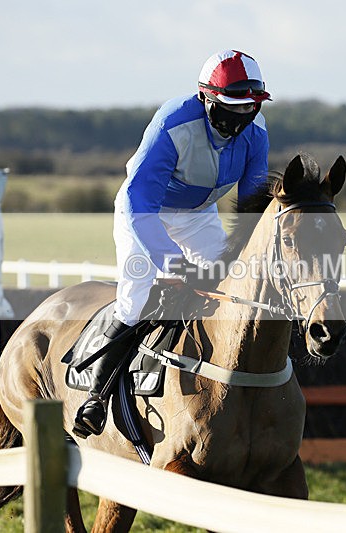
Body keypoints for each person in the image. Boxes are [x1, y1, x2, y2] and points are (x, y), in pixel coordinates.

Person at [73, 49, 271, 438]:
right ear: (206, 99)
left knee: (228, 283)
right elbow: (139, 201)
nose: (240, 121)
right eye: (231, 110)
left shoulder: (257, 131)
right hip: (145, 211)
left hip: (197, 214)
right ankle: (96, 396)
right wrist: (171, 262)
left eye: (249, 109)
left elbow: (251, 208)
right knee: (136, 296)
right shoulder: (172, 122)